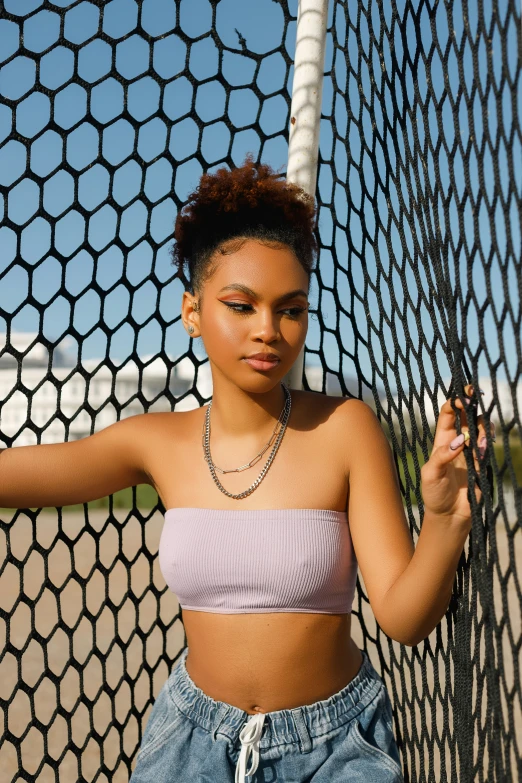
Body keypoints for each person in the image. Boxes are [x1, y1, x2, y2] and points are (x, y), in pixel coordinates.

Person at [0, 155, 494, 783]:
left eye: (290, 309)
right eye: (240, 305)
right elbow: (22, 474)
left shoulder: (346, 427)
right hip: (190, 741)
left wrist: (445, 521)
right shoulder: (157, 441)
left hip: (337, 747)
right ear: (192, 311)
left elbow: (403, 618)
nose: (268, 331)